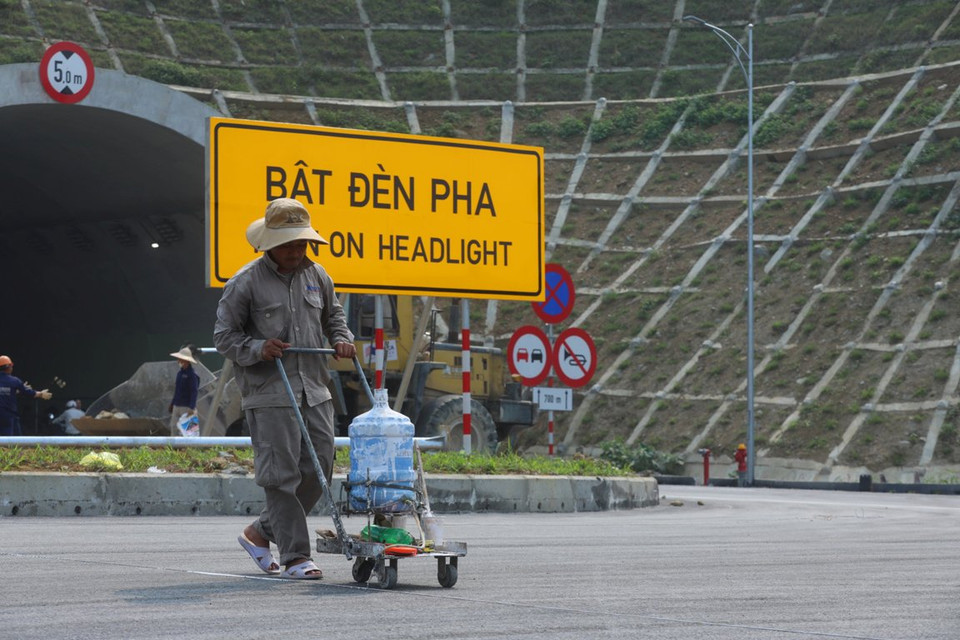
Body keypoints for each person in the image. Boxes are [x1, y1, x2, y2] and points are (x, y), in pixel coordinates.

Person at [214, 198, 356, 580]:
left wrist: (342, 339)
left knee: (320, 468)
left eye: (302, 243)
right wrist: (258, 348)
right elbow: (225, 338)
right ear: (269, 244)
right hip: (270, 392)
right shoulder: (244, 283)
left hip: (316, 389)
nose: (297, 251)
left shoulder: (318, 276)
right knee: (281, 475)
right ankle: (296, 557)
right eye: (290, 244)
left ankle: (259, 532)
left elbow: (335, 318)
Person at [0, 355, 52, 436]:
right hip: (9, 416)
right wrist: (41, 394)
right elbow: (28, 393)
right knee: (13, 440)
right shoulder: (15, 381)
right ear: (9, 367)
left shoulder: (14, 383)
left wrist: (16, 390)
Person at [168, 345, 200, 436]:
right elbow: (177, 390)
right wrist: (172, 403)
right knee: (173, 428)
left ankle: (190, 449)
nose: (179, 361)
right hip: (177, 405)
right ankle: (174, 449)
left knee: (190, 432)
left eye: (180, 359)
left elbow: (194, 391)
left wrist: (191, 407)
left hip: (186, 406)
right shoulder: (179, 374)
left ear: (186, 361)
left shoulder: (192, 375)